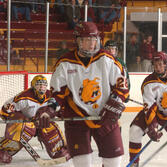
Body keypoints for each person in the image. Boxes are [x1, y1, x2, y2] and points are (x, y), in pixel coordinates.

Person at [35, 22, 129, 167]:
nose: (92, 44)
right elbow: (57, 94)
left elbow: (122, 86)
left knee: (114, 162)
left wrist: (115, 103)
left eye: (94, 40)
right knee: (82, 163)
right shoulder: (65, 63)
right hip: (77, 119)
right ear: (78, 41)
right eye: (87, 40)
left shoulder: (107, 59)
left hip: (105, 116)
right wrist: (49, 110)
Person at [0, 75, 70, 164]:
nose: (41, 87)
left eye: (44, 85)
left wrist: (59, 112)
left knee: (50, 128)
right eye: (38, 85)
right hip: (26, 125)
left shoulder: (51, 96)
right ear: (33, 86)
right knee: (22, 127)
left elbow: (61, 110)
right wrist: (18, 119)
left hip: (42, 123)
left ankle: (59, 150)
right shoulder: (24, 97)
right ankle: (4, 150)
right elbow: (4, 111)